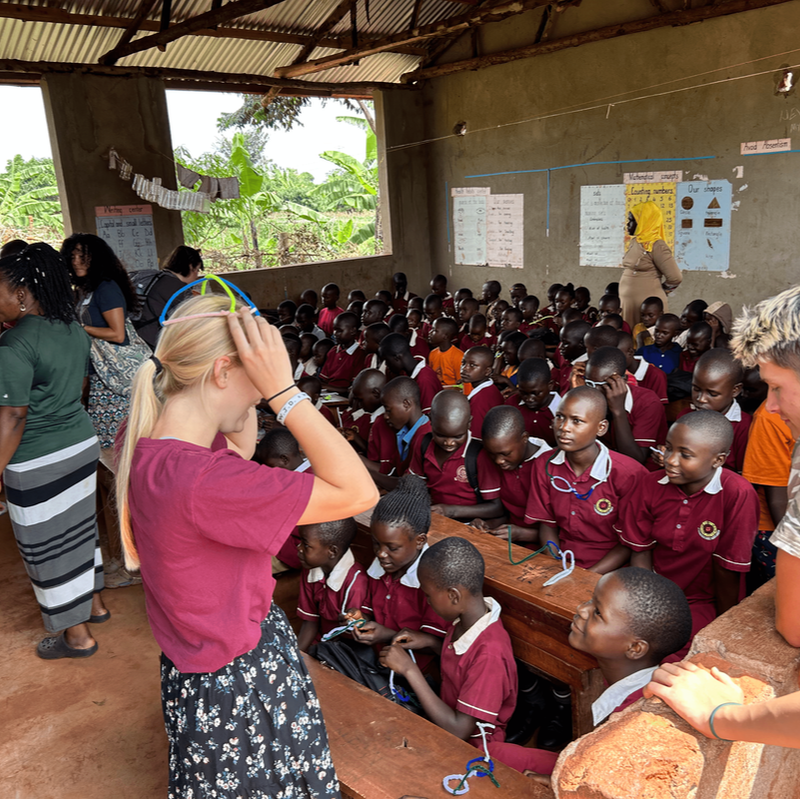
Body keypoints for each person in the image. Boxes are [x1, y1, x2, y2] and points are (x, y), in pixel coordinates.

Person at [116, 292, 378, 797]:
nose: (258, 395)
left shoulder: (148, 437)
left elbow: (238, 443)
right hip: (240, 684)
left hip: (197, 674)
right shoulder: (206, 483)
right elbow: (358, 491)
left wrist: (253, 382)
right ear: (220, 372)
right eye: (252, 379)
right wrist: (285, 391)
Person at [0, 242, 108, 659]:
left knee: (46, 545)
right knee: (81, 533)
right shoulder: (72, 329)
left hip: (37, 458)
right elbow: (80, 389)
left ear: (23, 295)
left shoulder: (12, 346)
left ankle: (77, 636)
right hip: (80, 445)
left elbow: (12, 417)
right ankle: (96, 605)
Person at [621, 411, 759, 655]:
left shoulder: (737, 494)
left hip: (704, 600)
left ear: (718, 460)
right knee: (623, 642)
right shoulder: (649, 484)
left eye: (685, 454)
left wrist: (724, 626)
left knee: (680, 654)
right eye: (668, 448)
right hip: (656, 590)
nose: (670, 460)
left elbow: (728, 569)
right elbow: (641, 551)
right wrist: (647, 605)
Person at [379, 538, 522, 760]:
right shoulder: (465, 619)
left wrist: (409, 669)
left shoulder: (490, 654)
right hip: (443, 721)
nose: (426, 601)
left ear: (454, 595)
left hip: (473, 751)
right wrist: (430, 642)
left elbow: (459, 730)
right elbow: (462, 663)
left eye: (427, 595)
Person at [523, 387, 647, 572]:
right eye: (560, 417)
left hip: (609, 568)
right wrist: (557, 564)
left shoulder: (629, 474)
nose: (564, 427)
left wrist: (585, 577)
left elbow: (628, 543)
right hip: (562, 559)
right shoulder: (545, 464)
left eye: (577, 421)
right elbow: (547, 525)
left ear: (601, 428)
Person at [347, 476, 447, 671]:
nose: (381, 554)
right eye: (376, 543)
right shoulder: (381, 567)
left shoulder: (432, 581)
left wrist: (387, 635)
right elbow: (368, 611)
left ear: (419, 541)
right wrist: (360, 619)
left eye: (392, 548)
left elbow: (436, 646)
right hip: (378, 664)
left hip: (416, 675)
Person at [62, 232, 141, 449]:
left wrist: (81, 329)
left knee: (112, 441)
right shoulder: (86, 289)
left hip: (114, 373)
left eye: (82, 256)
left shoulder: (107, 288)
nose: (76, 261)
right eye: (73, 256)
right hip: (99, 371)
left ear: (96, 258)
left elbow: (118, 334)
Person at [473, 406, 551, 539]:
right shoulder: (502, 462)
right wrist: (487, 525)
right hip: (511, 539)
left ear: (524, 438)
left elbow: (564, 532)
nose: (498, 461)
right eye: (492, 454)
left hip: (544, 545)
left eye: (505, 454)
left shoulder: (550, 466)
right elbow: (507, 513)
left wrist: (522, 534)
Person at [585, 346, 667, 466]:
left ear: (623, 381)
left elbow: (636, 459)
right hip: (602, 465)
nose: (594, 390)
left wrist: (618, 411)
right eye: (589, 383)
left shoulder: (647, 401)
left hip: (642, 472)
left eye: (602, 384)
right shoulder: (589, 397)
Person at [296, 517, 368, 652]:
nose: (299, 548)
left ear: (332, 551)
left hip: (345, 649)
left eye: (305, 545)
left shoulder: (355, 583)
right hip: (320, 642)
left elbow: (351, 634)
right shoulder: (310, 568)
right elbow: (310, 622)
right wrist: (294, 657)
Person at [408, 391, 483, 514]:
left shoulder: (478, 454)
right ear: (431, 420)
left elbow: (496, 507)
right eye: (441, 435)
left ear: (469, 423)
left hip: (468, 524)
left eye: (457, 436)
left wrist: (450, 511)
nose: (449, 443)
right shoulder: (424, 443)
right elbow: (415, 484)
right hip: (432, 516)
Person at [679, 349, 751, 472]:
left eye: (712, 394)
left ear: (735, 390)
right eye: (696, 389)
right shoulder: (685, 417)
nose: (701, 399)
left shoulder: (744, 427)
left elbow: (743, 474)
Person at [619, 201, 682, 330]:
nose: (627, 224)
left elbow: (675, 277)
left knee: (643, 341)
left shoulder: (657, 245)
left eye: (631, 221)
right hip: (628, 304)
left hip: (645, 306)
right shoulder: (636, 242)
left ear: (643, 222)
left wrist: (661, 291)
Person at [130, 244, 203, 349]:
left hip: (135, 335)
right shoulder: (178, 288)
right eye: (198, 270)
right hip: (154, 342)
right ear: (190, 266)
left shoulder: (155, 277)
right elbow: (186, 323)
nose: (197, 275)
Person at [365, 376, 430, 491]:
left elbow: (407, 486)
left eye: (388, 410)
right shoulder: (404, 432)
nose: (386, 416)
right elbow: (392, 471)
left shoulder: (426, 437)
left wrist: (368, 473)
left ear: (406, 404)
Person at [379, 332, 442, 414]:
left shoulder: (424, 379)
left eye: (387, 361)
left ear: (397, 358)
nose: (386, 365)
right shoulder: (405, 373)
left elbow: (429, 416)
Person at [506, 358, 560, 446]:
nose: (529, 399)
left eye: (535, 393)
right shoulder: (512, 404)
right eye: (523, 393)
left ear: (550, 386)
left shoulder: (561, 409)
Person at [460, 346, 504, 439]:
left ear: (487, 371)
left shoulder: (481, 399)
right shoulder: (488, 389)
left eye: (473, 365)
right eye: (463, 363)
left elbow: (475, 437)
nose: (464, 368)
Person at [340, 368, 386, 452]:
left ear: (376, 394)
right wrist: (355, 437)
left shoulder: (384, 420)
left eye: (360, 400)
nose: (359, 404)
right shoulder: (372, 415)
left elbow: (377, 459)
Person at [319, 312, 367, 390]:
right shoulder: (333, 351)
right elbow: (324, 379)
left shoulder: (360, 354)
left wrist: (327, 387)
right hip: (329, 393)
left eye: (340, 331)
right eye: (334, 330)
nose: (335, 334)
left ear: (353, 331)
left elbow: (353, 388)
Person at [618, 331, 668, 404]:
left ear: (631, 352)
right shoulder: (612, 371)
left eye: (618, 356)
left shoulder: (656, 375)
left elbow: (659, 407)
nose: (613, 360)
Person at [428, 317, 463, 387]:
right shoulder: (432, 353)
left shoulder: (459, 356)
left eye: (434, 330)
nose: (430, 332)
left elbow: (461, 384)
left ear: (445, 336)